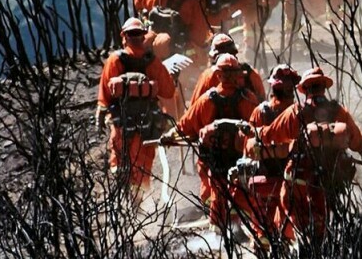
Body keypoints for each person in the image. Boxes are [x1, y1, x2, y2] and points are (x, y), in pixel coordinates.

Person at [258, 66, 362, 241]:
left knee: (289, 205)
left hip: (298, 176)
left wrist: (255, 133)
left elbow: (270, 135)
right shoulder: (339, 111)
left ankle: (301, 243)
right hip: (330, 179)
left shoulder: (296, 112)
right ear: (324, 88)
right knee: (325, 217)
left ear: (305, 90)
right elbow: (357, 140)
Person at [162, 53, 260, 228]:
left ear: (218, 74)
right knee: (243, 194)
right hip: (241, 161)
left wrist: (169, 136)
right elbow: (259, 130)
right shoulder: (248, 99)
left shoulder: (207, 100)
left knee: (218, 196)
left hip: (216, 161)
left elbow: (185, 124)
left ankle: (219, 232)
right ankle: (241, 229)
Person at [95, 17, 176, 205]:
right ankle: (138, 206)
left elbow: (104, 95)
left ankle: (126, 206)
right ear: (143, 36)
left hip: (121, 124)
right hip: (147, 124)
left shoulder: (115, 60)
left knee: (120, 163)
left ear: (124, 36)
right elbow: (168, 91)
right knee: (143, 164)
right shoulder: (152, 62)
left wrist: (99, 117)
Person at [236, 64, 301, 248]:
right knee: (289, 230)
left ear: (273, 87)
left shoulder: (261, 112)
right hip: (293, 185)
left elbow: (247, 147)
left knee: (263, 232)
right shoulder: (298, 114)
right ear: (293, 88)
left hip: (263, 184)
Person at [190, 32, 266, 105]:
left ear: (214, 57)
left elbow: (194, 110)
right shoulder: (250, 73)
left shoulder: (208, 76)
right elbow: (263, 107)